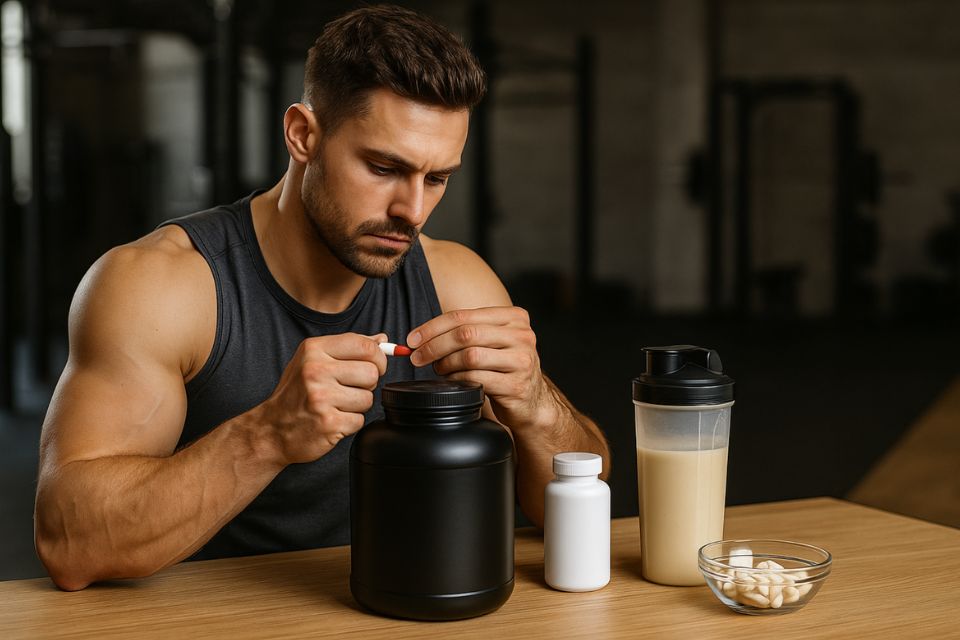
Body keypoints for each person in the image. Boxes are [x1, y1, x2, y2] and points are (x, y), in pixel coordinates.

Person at [34, 4, 609, 591]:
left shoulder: (457, 284)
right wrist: (266, 436)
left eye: (437, 178)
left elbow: (570, 507)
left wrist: (536, 402)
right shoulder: (161, 285)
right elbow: (69, 543)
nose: (412, 211)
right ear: (303, 135)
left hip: (404, 608)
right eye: (383, 167)